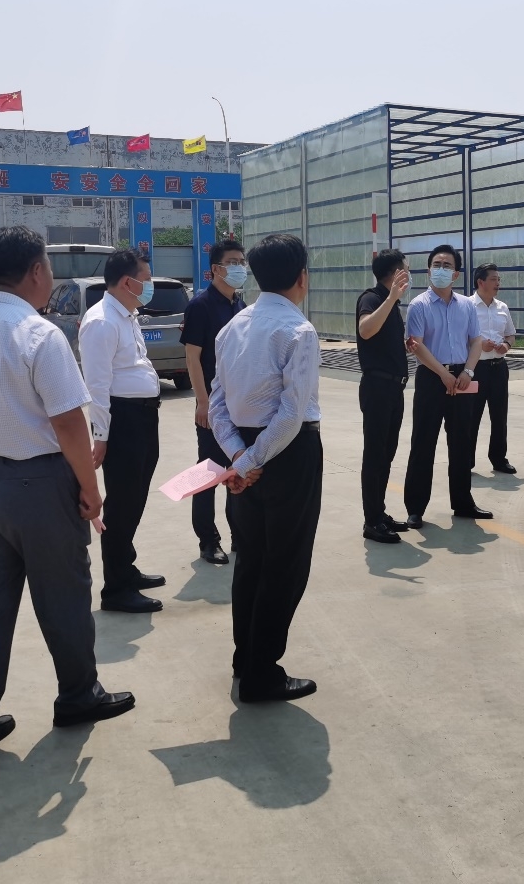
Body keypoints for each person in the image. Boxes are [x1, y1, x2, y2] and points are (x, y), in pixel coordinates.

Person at [0, 225, 133, 764]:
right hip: (38, 486)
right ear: (37, 271)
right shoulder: (38, 334)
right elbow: (69, 423)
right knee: (63, 596)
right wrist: (90, 491)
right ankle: (78, 695)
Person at [209, 233, 322, 703]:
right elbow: (292, 414)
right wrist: (252, 460)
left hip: (243, 452)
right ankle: (263, 672)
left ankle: (246, 658)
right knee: (285, 564)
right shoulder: (299, 331)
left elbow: (216, 404)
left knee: (252, 559)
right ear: (302, 277)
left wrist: (239, 457)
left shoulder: (231, 328)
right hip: (287, 453)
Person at [79, 248, 166, 614]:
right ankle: (115, 589)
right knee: (122, 504)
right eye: (146, 279)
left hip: (142, 417)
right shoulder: (101, 321)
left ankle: (126, 568)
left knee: (134, 499)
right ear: (127, 282)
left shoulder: (126, 315)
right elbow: (97, 385)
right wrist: (101, 435)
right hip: (123, 421)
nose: (150, 286)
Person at [402, 244, 489, 527]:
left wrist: (468, 371)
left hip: (462, 379)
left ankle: (463, 502)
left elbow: (476, 341)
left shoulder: (467, 305)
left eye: (447, 265)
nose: (441, 269)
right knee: (423, 442)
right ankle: (415, 508)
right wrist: (443, 374)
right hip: (431, 378)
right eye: (436, 265)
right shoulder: (419, 305)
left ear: (456, 274)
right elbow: (417, 345)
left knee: (462, 443)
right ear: (428, 271)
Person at [180, 238, 248, 565]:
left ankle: (240, 535)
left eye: (242, 262)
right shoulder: (200, 306)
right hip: (214, 406)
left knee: (238, 468)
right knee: (208, 472)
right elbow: (192, 358)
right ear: (215, 270)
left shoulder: (241, 306)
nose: (239, 268)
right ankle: (208, 541)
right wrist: (202, 402)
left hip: (239, 406)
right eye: (232, 262)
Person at [356, 249, 412, 544]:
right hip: (377, 388)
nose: (409, 274)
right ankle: (372, 521)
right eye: (405, 269)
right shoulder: (372, 298)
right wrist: (391, 298)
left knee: (386, 454)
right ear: (395, 272)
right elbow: (365, 330)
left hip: (394, 389)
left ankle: (379, 512)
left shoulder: (391, 304)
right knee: (375, 455)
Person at [468, 263, 518, 474]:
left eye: (499, 279)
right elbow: (459, 337)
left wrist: (506, 345)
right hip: (475, 369)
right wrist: (479, 345)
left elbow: (511, 335)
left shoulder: (502, 307)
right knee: (471, 416)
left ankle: (499, 459)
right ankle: (466, 460)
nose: (498, 283)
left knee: (499, 416)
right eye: (494, 279)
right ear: (481, 282)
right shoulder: (467, 306)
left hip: (498, 368)